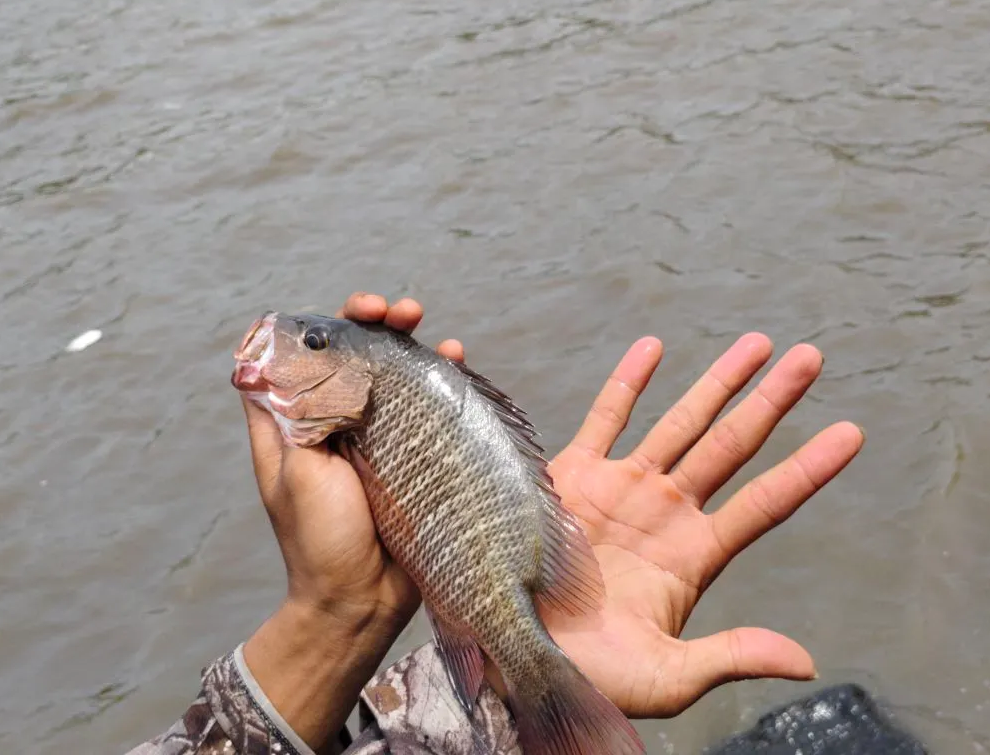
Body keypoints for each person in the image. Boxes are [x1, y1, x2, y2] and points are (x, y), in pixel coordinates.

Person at [126, 293, 864, 755]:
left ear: (354, 374)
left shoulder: (383, 389)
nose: (290, 341)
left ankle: (541, 686)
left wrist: (338, 612)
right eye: (315, 341)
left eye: (313, 343)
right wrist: (341, 608)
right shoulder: (362, 402)